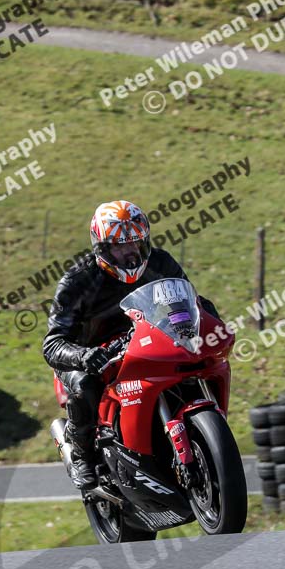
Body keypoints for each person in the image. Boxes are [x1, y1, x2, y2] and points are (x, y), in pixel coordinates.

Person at [43, 199, 220, 489]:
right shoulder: (77, 281)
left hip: (144, 341)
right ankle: (82, 456)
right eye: (119, 246)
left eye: (136, 243)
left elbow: (191, 301)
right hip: (89, 353)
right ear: (101, 248)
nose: (130, 252)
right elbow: (52, 344)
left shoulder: (161, 262)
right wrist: (85, 356)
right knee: (86, 385)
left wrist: (207, 320)